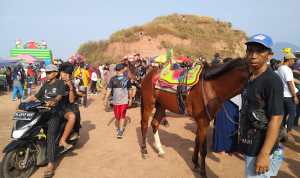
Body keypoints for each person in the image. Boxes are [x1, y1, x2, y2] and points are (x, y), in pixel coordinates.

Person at [239, 34, 284, 177]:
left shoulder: (271, 81)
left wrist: (264, 154)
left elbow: (276, 119)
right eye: (250, 50)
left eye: (260, 51)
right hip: (250, 142)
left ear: (270, 54)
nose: (253, 55)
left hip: (261, 147)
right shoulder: (250, 76)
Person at [25, 64, 65, 177]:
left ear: (56, 73)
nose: (47, 75)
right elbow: (37, 96)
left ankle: (50, 164)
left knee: (50, 134)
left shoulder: (60, 83)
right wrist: (25, 103)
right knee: (30, 128)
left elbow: (59, 96)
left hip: (55, 113)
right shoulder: (45, 84)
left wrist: (53, 102)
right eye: (46, 73)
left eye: (49, 72)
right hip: (42, 112)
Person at [213, 57, 240, 155]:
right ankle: (233, 148)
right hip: (236, 102)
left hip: (224, 101)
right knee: (233, 124)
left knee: (223, 124)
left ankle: (221, 148)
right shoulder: (238, 74)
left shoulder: (222, 75)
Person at [103, 64, 132, 138]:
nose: (118, 71)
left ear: (122, 70)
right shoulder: (113, 79)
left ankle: (121, 130)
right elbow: (109, 89)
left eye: (119, 70)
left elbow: (130, 89)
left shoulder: (127, 79)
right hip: (115, 100)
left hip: (124, 100)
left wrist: (130, 98)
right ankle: (121, 125)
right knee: (117, 115)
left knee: (122, 115)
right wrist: (106, 98)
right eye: (116, 70)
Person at [277, 53, 299, 141]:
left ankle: (282, 133)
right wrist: (294, 96)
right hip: (289, 96)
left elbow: (292, 80)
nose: (294, 62)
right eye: (293, 60)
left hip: (283, 95)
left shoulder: (280, 68)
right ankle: (289, 134)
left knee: (284, 114)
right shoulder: (287, 69)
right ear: (289, 60)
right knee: (292, 114)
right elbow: (290, 83)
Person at [59, 64, 77, 153]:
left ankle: (63, 140)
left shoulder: (71, 84)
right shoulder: (55, 83)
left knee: (73, 116)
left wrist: (70, 88)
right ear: (59, 73)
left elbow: (71, 100)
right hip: (54, 108)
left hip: (65, 108)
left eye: (67, 74)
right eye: (63, 73)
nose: (65, 75)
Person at [292, 60, 300, 126]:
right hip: (297, 92)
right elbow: (294, 83)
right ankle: (295, 122)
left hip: (297, 91)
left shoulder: (295, 70)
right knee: (297, 108)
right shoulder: (296, 72)